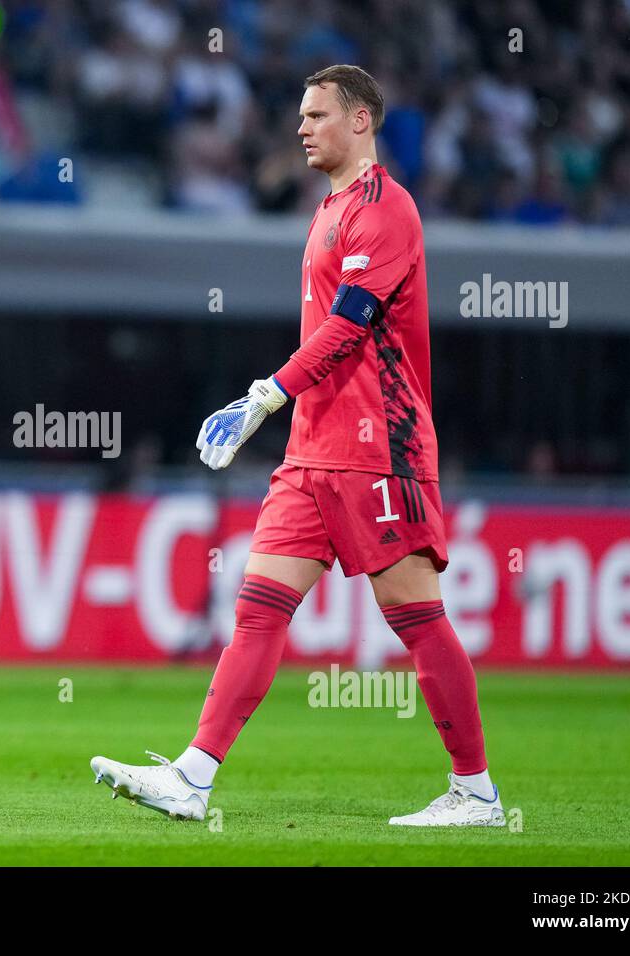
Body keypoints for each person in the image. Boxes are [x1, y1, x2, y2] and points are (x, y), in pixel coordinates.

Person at [91, 65, 503, 827]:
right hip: (313, 452)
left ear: (361, 122)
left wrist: (262, 396)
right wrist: (286, 410)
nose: (302, 129)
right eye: (301, 117)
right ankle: (194, 776)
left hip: (380, 446)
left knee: (414, 615)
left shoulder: (387, 210)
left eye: (317, 115)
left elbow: (349, 330)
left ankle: (475, 791)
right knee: (257, 610)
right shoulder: (331, 208)